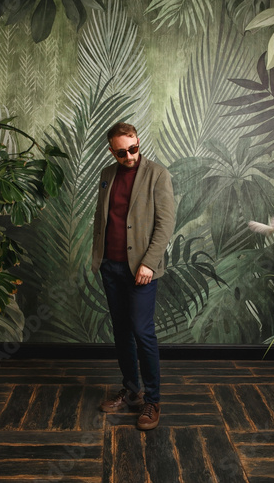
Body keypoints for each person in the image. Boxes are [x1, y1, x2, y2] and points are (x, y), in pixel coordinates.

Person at [92, 122, 175, 430]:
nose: (129, 156)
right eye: (122, 152)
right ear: (112, 151)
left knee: (142, 331)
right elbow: (102, 218)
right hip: (110, 266)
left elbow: (165, 224)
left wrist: (149, 263)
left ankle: (153, 400)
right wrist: (98, 258)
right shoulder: (106, 175)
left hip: (141, 269)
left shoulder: (157, 174)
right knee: (121, 331)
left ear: (139, 143)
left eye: (134, 148)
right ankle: (132, 390)